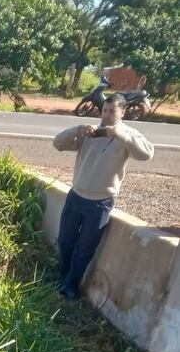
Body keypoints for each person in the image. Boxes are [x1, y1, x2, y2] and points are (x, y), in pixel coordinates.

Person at [52, 94, 154, 299]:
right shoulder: (91, 133)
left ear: (122, 112)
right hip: (76, 196)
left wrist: (119, 135)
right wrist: (79, 130)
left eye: (112, 111)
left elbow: (146, 154)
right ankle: (63, 278)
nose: (106, 115)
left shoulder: (128, 135)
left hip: (100, 203)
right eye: (105, 110)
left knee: (85, 249)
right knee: (65, 241)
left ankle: (70, 286)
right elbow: (58, 143)